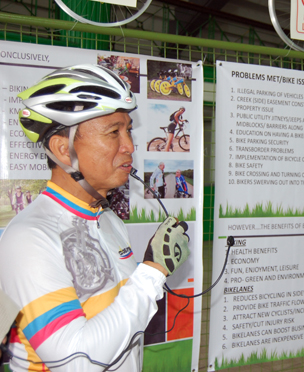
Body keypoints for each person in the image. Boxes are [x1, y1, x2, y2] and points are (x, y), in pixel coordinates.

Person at [0, 64, 190, 372]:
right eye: (114, 132)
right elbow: (76, 363)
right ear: (63, 150)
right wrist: (152, 273)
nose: (129, 146)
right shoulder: (29, 240)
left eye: (128, 130)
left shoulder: (108, 222)